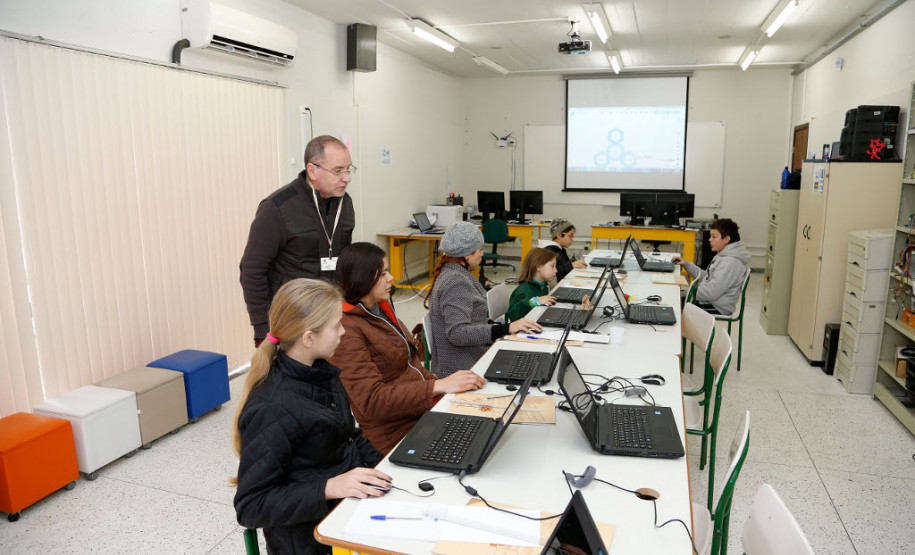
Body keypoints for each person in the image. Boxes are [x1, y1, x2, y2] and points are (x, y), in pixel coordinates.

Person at [232, 278, 389, 555]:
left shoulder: (321, 372)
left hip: (346, 512)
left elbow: (350, 436)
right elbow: (251, 506)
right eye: (336, 326)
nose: (343, 332)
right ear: (308, 338)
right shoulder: (272, 408)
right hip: (311, 540)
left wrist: (389, 472)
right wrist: (329, 487)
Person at [330, 242, 487, 454]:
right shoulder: (347, 330)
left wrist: (443, 387)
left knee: (487, 427)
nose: (391, 278)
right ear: (363, 277)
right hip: (395, 433)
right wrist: (438, 387)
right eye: (383, 273)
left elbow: (410, 362)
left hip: (422, 412)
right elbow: (371, 402)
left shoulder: (381, 309)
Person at [240, 135, 356, 346]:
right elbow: (252, 269)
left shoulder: (344, 202)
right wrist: (262, 328)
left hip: (330, 314)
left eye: (349, 169)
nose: (346, 178)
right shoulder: (277, 207)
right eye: (338, 171)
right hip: (292, 319)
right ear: (312, 171)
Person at [427, 221, 542, 377]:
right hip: (463, 367)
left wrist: (497, 327)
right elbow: (457, 333)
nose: (482, 253)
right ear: (467, 254)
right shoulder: (456, 282)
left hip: (468, 359)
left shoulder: (452, 273)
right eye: (480, 249)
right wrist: (505, 329)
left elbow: (469, 320)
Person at [672, 218, 750, 315]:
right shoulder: (724, 254)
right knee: (674, 299)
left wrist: (687, 291)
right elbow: (707, 277)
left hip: (717, 306)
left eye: (714, 237)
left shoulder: (731, 263)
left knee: (673, 304)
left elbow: (710, 293)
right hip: (710, 300)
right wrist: (686, 265)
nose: (710, 240)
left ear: (726, 239)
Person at [505, 248, 558, 323]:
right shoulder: (523, 290)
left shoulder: (542, 285)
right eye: (552, 266)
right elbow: (513, 315)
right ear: (538, 267)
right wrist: (533, 302)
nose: (556, 270)